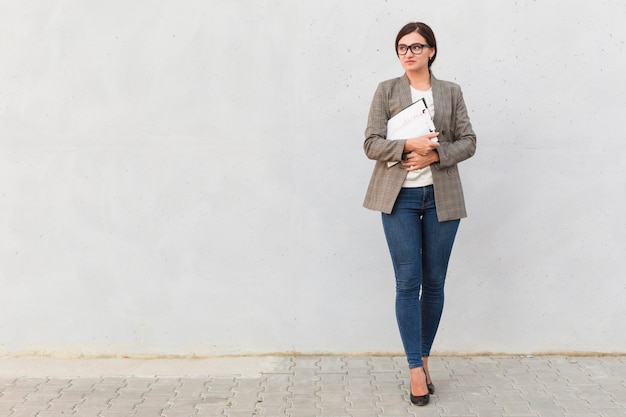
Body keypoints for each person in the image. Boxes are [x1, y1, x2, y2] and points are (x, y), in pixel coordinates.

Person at [362, 22, 476, 406]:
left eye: (416, 46)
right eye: (401, 47)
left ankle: (425, 357)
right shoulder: (387, 90)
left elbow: (469, 141)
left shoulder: (451, 92)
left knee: (435, 282)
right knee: (407, 281)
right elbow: (370, 143)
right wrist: (407, 144)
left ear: (431, 51)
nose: (408, 52)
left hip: (441, 196)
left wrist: (437, 154)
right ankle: (414, 369)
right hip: (399, 198)